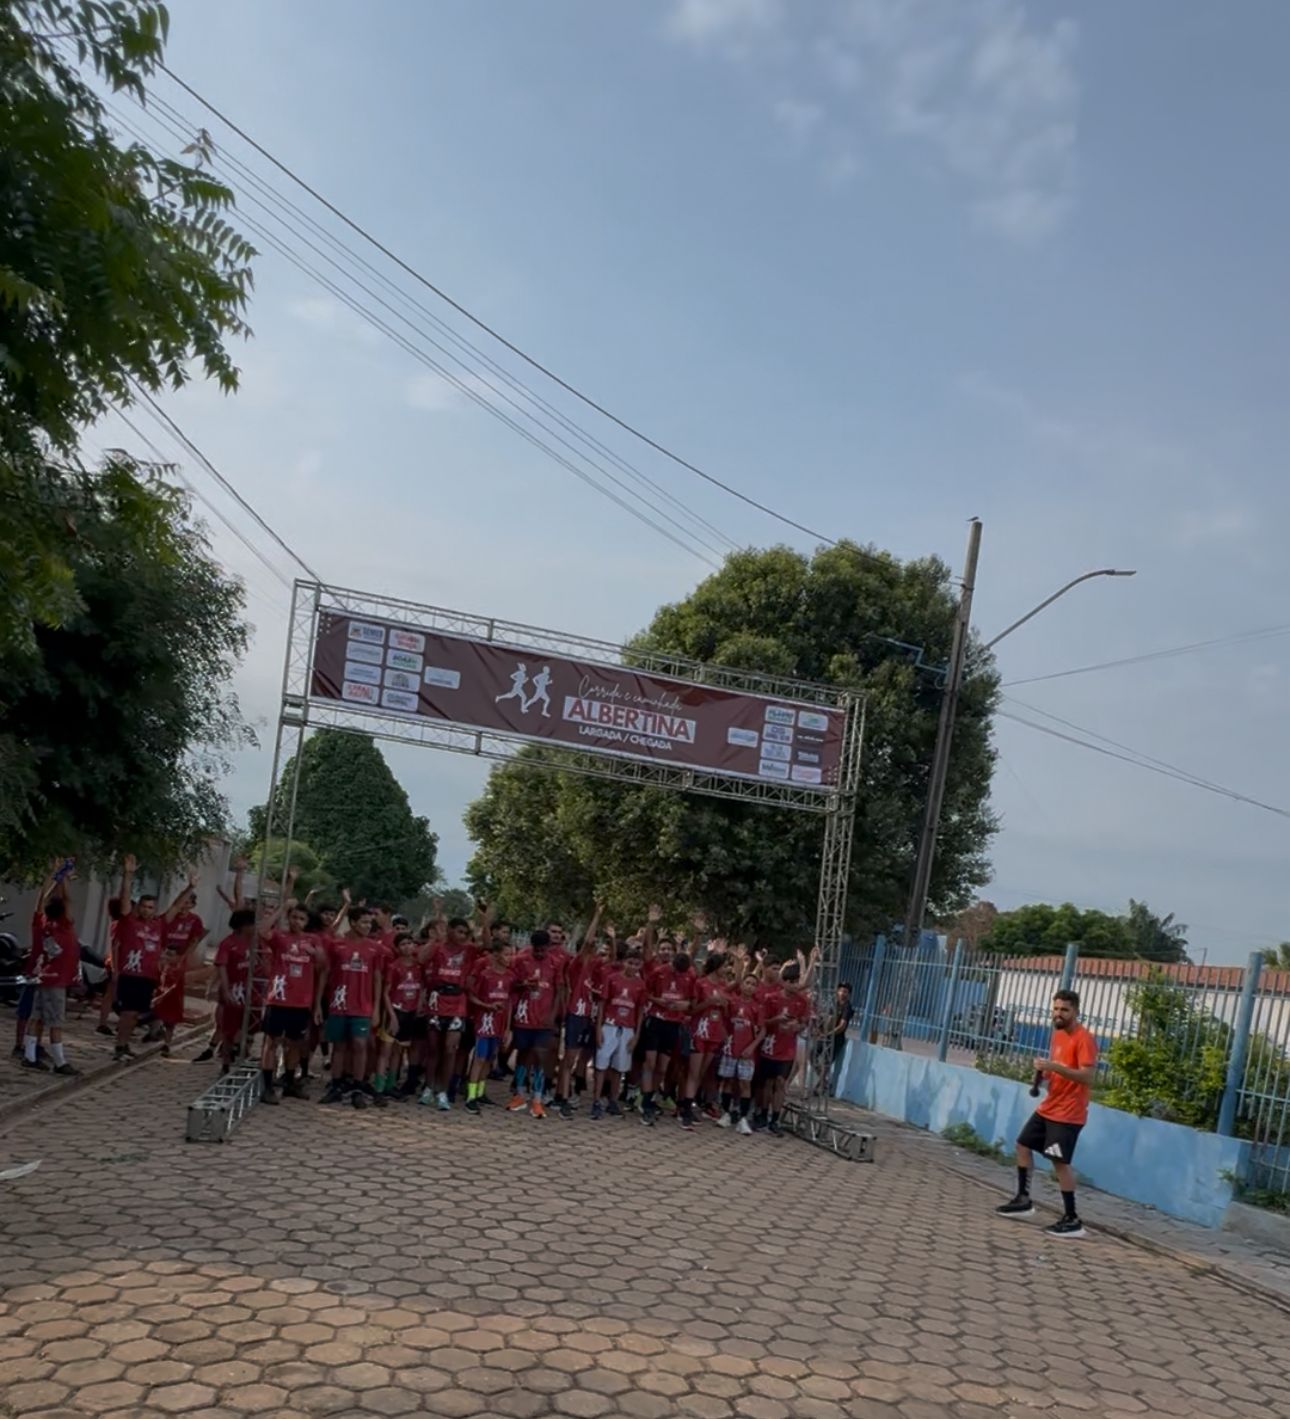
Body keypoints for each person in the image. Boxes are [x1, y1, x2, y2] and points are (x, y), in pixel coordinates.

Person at [996, 989, 1098, 1238]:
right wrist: (1046, 1073)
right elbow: (1059, 1070)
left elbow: (1087, 1076)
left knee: (1059, 1163)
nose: (1058, 1014)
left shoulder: (1084, 1039)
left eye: (1064, 1010)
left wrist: (1055, 1067)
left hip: (1069, 1113)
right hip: (1050, 1106)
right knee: (1022, 1145)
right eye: (1056, 1009)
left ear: (1076, 1011)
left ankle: (1072, 1219)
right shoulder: (1058, 1034)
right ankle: (1023, 1199)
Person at [113, 855, 191, 1062]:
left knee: (137, 1014)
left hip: (148, 976)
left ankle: (124, 1044)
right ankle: (119, 1046)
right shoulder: (130, 922)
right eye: (144, 906)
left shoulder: (159, 924)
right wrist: (128, 875)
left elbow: (176, 906)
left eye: (151, 907)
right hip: (130, 974)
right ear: (138, 907)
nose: (147, 910)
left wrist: (190, 887)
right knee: (128, 1012)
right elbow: (124, 901)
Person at [260, 891, 328, 1104]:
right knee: (271, 1042)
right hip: (278, 998)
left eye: (302, 918)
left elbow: (323, 963)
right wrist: (282, 907)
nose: (297, 921)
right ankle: (266, 1086)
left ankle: (289, 1082)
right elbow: (262, 931)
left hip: (300, 1001)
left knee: (295, 1043)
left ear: (307, 922)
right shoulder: (280, 937)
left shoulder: (313, 939)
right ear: (288, 918)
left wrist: (314, 952)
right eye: (294, 917)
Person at [320, 906, 385, 1108]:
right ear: (353, 922)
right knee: (339, 1046)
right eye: (364, 922)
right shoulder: (336, 945)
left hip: (362, 1006)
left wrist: (376, 1008)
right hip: (339, 1004)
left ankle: (358, 1087)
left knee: (360, 1044)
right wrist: (318, 1003)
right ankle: (336, 1085)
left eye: (370, 923)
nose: (368, 926)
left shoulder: (375, 948)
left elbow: (377, 978)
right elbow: (325, 972)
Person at [22, 864, 81, 1076]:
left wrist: (55, 878)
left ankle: (29, 1056)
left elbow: (41, 903)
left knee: (36, 1017)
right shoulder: (63, 926)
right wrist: (62, 878)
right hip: (56, 981)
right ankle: (59, 1061)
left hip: (43, 977)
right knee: (56, 1022)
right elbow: (66, 901)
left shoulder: (41, 924)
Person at [420, 915, 481, 1110]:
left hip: (457, 1003)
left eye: (465, 933)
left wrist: (485, 922)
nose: (462, 936)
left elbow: (486, 945)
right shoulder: (438, 947)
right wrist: (435, 939)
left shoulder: (469, 950)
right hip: (437, 1000)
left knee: (450, 1049)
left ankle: (443, 1092)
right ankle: (429, 1087)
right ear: (450, 931)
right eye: (459, 931)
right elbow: (421, 958)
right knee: (433, 1049)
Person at [508, 928, 565, 1118]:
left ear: (548, 947)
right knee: (523, 1054)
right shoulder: (521, 960)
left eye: (543, 949)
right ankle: (519, 1094)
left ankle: (538, 1099)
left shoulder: (555, 963)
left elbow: (559, 991)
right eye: (537, 949)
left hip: (544, 1019)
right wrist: (524, 984)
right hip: (524, 1017)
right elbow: (512, 984)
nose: (540, 953)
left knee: (541, 1055)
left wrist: (553, 1015)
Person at [555, 905, 604, 1120]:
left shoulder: (596, 970)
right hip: (576, 1014)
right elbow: (588, 942)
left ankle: (567, 1094)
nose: (594, 950)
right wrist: (597, 915)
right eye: (591, 948)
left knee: (581, 1060)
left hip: (588, 1018)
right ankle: (563, 1099)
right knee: (570, 1058)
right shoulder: (577, 966)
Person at [639, 950, 697, 1126]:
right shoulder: (659, 972)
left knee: (662, 1068)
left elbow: (692, 1002)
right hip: (656, 1020)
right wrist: (658, 1001)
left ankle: (652, 1096)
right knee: (650, 1062)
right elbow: (645, 993)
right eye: (676, 970)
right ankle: (645, 1102)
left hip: (674, 1024)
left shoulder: (690, 976)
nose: (679, 974)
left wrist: (684, 1005)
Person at [149, 884, 207, 1054]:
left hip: (177, 964)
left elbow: (194, 941)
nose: (184, 906)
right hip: (162, 961)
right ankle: (153, 1029)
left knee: (173, 999)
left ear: (192, 905)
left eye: (188, 903)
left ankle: (167, 1040)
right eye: (183, 902)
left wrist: (182, 959)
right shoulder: (168, 918)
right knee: (155, 993)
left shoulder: (195, 921)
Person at [757, 961, 811, 1136]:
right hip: (770, 1045)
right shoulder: (771, 998)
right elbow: (763, 1022)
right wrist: (777, 1020)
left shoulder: (802, 1001)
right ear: (784, 982)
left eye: (796, 982)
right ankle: (762, 1115)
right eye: (791, 982)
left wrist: (797, 1026)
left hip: (787, 1049)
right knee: (768, 1083)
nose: (794, 986)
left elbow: (804, 1022)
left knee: (781, 1083)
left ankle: (775, 1119)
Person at [592, 948, 647, 1119]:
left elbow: (640, 1010)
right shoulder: (612, 979)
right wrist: (599, 1029)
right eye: (630, 963)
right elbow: (602, 1004)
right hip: (609, 1025)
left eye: (636, 964)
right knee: (601, 1064)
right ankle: (596, 1100)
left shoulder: (640, 984)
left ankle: (613, 1101)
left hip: (628, 1028)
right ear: (624, 962)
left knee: (619, 1067)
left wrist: (636, 1035)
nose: (633, 967)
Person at [464, 936, 515, 1115]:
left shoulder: (510, 977)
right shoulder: (485, 975)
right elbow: (471, 996)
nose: (510, 958)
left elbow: (509, 1003)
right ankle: (470, 1096)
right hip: (485, 1022)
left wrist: (507, 1028)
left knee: (489, 1058)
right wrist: (487, 1006)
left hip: (500, 1023)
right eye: (506, 954)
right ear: (497, 955)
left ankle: (480, 1092)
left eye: (511, 954)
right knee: (479, 1058)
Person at [682, 953, 729, 1130]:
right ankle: (686, 1109)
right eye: (724, 966)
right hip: (700, 1031)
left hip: (714, 1032)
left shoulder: (723, 985)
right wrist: (709, 1002)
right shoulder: (701, 983)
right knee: (693, 1072)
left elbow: (725, 1012)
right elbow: (692, 1009)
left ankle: (690, 1104)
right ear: (716, 967)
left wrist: (724, 1005)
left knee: (701, 1072)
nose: (726, 969)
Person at [718, 972, 766, 1134]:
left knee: (745, 1083)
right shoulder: (732, 1002)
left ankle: (743, 1118)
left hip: (747, 1052)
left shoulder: (757, 1007)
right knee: (728, 1081)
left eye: (753, 984)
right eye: (747, 983)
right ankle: (726, 1113)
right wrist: (725, 1038)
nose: (750, 987)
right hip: (730, 1049)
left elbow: (762, 1031)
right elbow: (723, 1020)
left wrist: (752, 1047)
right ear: (741, 984)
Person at [213, 908, 258, 1072]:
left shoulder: (255, 942)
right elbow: (222, 967)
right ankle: (225, 1062)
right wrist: (226, 991)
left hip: (251, 990)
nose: (255, 927)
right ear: (243, 925)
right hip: (234, 990)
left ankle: (242, 1053)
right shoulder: (228, 943)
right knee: (229, 1029)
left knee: (249, 1024)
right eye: (252, 924)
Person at [381, 932, 425, 1098]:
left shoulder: (418, 967)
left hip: (410, 1013)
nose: (407, 947)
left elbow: (421, 987)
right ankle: (379, 1086)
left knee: (398, 1052)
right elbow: (386, 993)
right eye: (403, 944)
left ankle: (391, 1085)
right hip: (395, 1011)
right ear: (397, 948)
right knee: (385, 1051)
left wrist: (419, 1004)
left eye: (409, 943)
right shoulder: (394, 967)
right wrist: (391, 1016)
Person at [828, 982, 855, 1094]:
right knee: (813, 1055)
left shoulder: (847, 1007)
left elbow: (842, 1026)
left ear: (849, 994)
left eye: (845, 992)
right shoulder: (834, 1004)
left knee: (827, 1062)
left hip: (837, 1038)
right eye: (841, 990)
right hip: (827, 1035)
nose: (842, 993)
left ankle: (823, 1086)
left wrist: (830, 1033)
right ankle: (825, 1082)